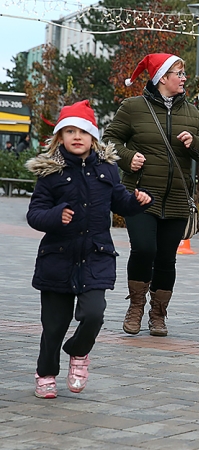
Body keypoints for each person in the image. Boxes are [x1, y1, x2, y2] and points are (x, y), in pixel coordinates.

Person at [26, 100, 152, 399]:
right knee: (54, 326)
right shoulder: (50, 174)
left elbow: (120, 201)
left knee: (94, 314)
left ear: (93, 136)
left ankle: (79, 352)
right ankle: (45, 373)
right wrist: (56, 216)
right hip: (57, 258)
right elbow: (34, 214)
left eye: (82, 130)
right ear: (60, 137)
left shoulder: (107, 171)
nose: (76, 136)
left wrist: (136, 202)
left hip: (95, 256)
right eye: (69, 131)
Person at [103, 53, 199, 337]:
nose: (184, 78)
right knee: (144, 248)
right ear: (162, 77)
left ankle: (158, 314)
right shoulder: (132, 107)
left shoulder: (191, 112)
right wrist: (128, 157)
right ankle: (136, 307)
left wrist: (194, 142)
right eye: (179, 72)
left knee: (166, 258)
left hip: (176, 196)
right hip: (140, 195)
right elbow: (109, 140)